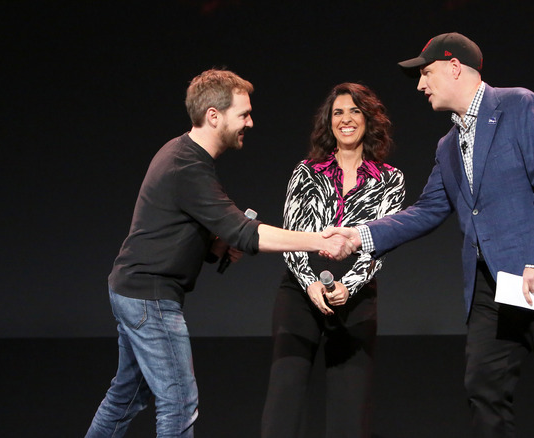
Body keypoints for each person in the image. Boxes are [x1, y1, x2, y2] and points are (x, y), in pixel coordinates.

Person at [324, 33, 534, 437]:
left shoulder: (519, 105)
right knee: (483, 388)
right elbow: (429, 209)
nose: (421, 85)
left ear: (454, 67)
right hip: (493, 286)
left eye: (426, 73)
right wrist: (358, 236)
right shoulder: (448, 145)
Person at [85, 69, 354, 438]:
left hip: (133, 291)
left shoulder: (185, 155)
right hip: (149, 298)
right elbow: (244, 232)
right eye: (243, 114)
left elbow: (184, 229)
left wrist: (214, 247)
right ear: (214, 115)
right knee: (179, 404)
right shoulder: (188, 165)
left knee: (126, 397)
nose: (250, 122)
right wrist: (319, 240)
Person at [261, 83, 405, 438]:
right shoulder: (307, 172)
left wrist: (349, 285)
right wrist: (310, 281)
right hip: (300, 287)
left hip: (355, 294)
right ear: (328, 122)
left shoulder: (391, 181)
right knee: (284, 396)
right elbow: (292, 234)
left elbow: (381, 245)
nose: (346, 119)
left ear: (368, 119)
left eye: (354, 111)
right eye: (338, 112)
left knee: (349, 407)